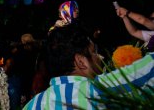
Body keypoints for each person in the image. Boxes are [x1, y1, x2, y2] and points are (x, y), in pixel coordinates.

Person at [23, 24, 154, 110]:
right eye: (94, 52)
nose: (100, 57)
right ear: (80, 61)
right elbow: (148, 69)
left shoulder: (33, 105)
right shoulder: (96, 91)